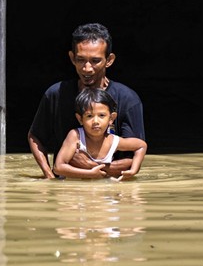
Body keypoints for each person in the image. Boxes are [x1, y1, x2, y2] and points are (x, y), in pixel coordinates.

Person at [28, 22, 145, 179]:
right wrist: (49, 176)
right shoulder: (56, 94)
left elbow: (133, 158)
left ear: (109, 60)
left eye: (95, 61)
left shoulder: (128, 100)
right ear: (72, 58)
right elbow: (35, 136)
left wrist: (89, 166)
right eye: (81, 60)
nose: (87, 68)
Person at [54, 88, 147, 180]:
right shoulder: (76, 136)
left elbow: (141, 146)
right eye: (89, 116)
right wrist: (89, 174)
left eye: (101, 115)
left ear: (111, 118)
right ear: (80, 119)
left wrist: (134, 170)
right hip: (75, 190)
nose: (95, 121)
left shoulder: (113, 141)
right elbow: (58, 168)